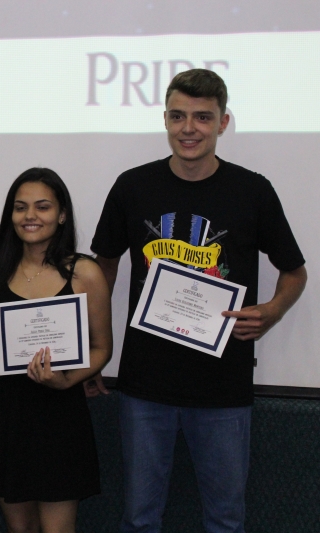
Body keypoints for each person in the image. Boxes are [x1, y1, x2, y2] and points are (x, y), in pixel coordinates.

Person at [90, 69, 307, 533]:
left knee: (225, 520)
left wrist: (271, 312)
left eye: (203, 117)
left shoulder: (253, 190)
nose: (189, 128)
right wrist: (93, 349)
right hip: (145, 385)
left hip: (223, 387)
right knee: (139, 519)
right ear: (165, 119)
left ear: (223, 122)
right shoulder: (132, 186)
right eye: (178, 116)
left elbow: (295, 272)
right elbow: (102, 269)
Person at [0, 168, 112, 533]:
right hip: (2, 412)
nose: (30, 216)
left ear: (61, 214)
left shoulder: (85, 272)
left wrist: (66, 381)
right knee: (21, 529)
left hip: (58, 413)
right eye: (20, 207)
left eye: (42, 206)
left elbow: (102, 349)